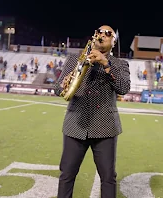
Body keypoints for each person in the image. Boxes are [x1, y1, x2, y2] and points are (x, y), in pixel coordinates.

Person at [54, 25, 131, 198]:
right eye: (99, 32)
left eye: (108, 34)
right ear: (94, 36)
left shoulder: (120, 64)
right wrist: (63, 84)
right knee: (66, 175)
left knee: (108, 178)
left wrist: (105, 63)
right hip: (75, 125)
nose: (102, 35)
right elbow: (56, 89)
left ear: (113, 41)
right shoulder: (75, 59)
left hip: (105, 128)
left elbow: (123, 88)